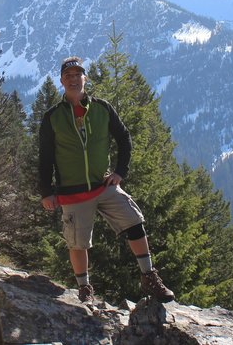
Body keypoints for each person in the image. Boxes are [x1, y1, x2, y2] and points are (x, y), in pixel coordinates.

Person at [38, 56, 175, 305]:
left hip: (104, 186)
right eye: (68, 76)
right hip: (72, 192)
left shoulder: (102, 108)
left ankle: (149, 276)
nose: (73, 79)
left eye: (78, 75)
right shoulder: (53, 117)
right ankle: (85, 289)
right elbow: (45, 157)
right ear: (61, 81)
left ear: (85, 78)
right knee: (78, 243)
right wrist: (46, 192)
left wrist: (120, 172)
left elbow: (124, 138)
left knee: (134, 222)